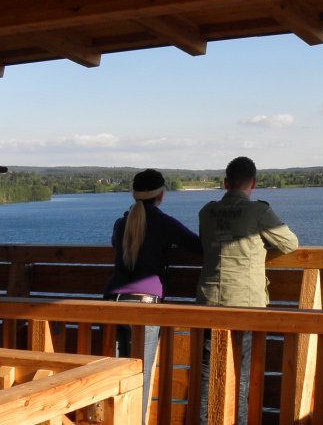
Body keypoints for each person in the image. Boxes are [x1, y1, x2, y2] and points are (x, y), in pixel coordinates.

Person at [196, 156, 298, 423]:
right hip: (245, 302)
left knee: (208, 372)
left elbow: (205, 243)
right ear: (253, 183)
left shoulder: (206, 212)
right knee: (240, 374)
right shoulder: (258, 212)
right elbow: (290, 243)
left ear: (226, 182)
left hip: (208, 300)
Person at [103, 169, 202, 423]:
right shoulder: (164, 223)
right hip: (144, 306)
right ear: (161, 195)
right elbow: (197, 247)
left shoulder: (121, 223)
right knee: (141, 378)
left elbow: (118, 246)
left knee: (115, 376)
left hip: (112, 304)